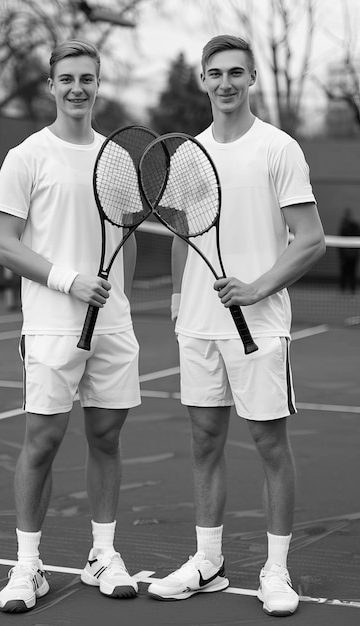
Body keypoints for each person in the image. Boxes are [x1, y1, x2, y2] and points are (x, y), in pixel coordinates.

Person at [147, 35, 325, 617]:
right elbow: (182, 236)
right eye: (215, 73)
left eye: (235, 73)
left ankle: (277, 568)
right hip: (198, 328)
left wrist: (256, 288)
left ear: (251, 80)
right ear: (204, 80)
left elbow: (312, 239)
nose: (225, 83)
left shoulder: (280, 148)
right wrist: (179, 304)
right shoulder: (189, 154)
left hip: (260, 325)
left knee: (270, 444)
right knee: (204, 442)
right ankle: (208, 562)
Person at [0, 39, 141, 613]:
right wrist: (67, 280)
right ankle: (28, 566)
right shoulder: (26, 155)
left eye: (88, 78)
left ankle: (103, 553)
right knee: (42, 443)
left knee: (106, 438)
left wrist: (115, 298)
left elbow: (130, 234)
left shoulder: (119, 159)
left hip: (113, 325)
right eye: (67, 79)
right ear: (52, 87)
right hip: (53, 324)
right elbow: (2, 244)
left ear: (99, 84)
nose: (78, 88)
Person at [338, 208, 360, 294]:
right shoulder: (344, 226)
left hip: (353, 256)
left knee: (352, 273)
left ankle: (352, 289)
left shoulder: (355, 226)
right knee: (344, 273)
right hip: (345, 256)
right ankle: (343, 289)